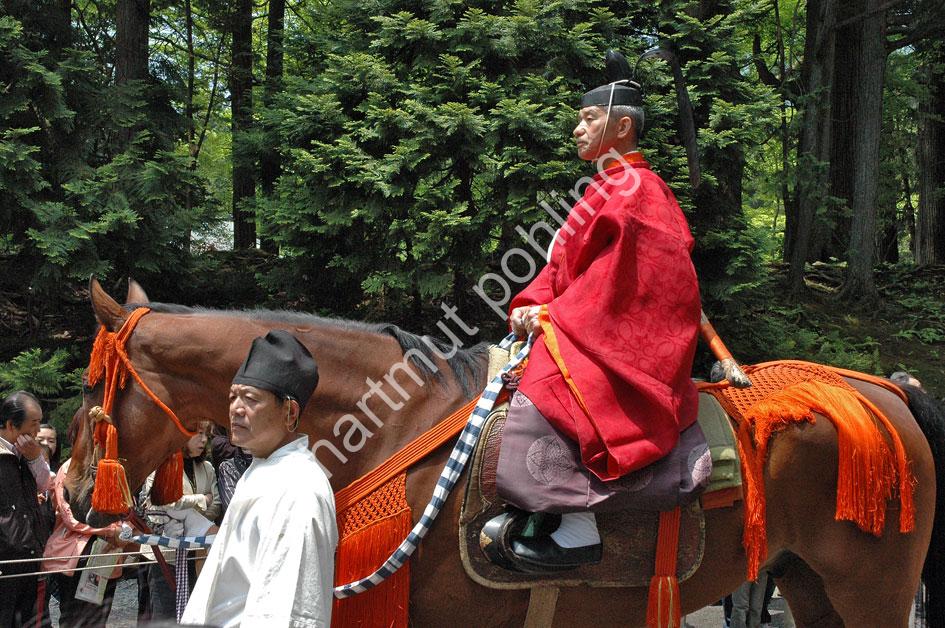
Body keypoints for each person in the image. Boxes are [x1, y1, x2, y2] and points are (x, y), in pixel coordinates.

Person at [503, 50, 701, 570]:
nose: (577, 129)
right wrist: (533, 304)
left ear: (623, 125)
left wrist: (555, 317)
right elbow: (564, 270)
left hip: (622, 342)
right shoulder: (606, 187)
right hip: (581, 323)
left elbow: (630, 285)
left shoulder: (640, 190)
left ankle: (578, 527)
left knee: (544, 389)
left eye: (589, 118)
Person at [181, 330, 337, 627]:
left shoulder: (299, 489)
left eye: (250, 399)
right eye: (233, 397)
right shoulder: (260, 470)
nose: (235, 409)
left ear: (289, 412)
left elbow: (287, 613)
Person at [141, 421, 221, 620]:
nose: (203, 440)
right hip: (163, 555)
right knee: (164, 616)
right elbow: (165, 502)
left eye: (207, 435)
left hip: (196, 554)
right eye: (198, 434)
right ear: (181, 434)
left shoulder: (207, 467)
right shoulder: (161, 464)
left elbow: (216, 504)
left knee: (194, 613)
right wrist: (202, 499)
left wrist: (186, 512)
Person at [42, 457, 127, 627]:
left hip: (107, 551)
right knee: (73, 618)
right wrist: (110, 530)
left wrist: (123, 530)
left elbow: (126, 508)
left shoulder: (116, 466)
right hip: (76, 552)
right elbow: (69, 516)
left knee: (99, 618)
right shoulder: (70, 467)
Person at [0, 391, 53, 627]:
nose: (38, 430)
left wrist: (34, 458)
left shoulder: (27, 453)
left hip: (29, 555)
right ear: (11, 425)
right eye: (34, 423)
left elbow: (46, 485)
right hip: (5, 559)